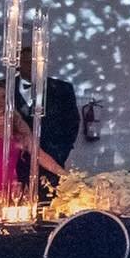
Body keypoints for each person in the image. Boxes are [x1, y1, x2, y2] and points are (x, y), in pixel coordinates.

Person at [0, 79, 64, 196]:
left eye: (3, 97)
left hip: (7, 188)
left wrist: (65, 175)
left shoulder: (16, 124)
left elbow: (38, 154)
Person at [15, 37, 80, 173]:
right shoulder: (3, 88)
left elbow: (72, 122)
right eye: (28, 62)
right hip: (13, 160)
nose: (33, 66)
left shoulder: (62, 89)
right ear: (18, 64)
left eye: (37, 63)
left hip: (53, 158)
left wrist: (61, 151)